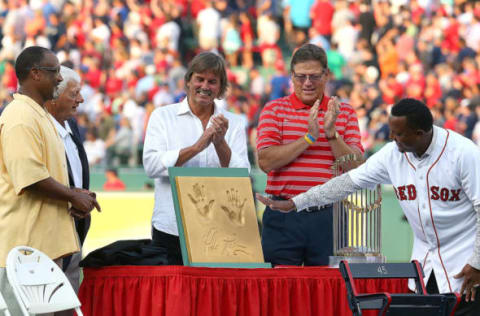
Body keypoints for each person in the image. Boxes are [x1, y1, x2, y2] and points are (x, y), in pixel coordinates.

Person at [257, 98, 480, 315]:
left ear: (420, 133)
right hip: (426, 266)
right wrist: (296, 203)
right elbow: (347, 182)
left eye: (399, 133)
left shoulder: (463, 153)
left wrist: (477, 263)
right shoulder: (393, 154)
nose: (391, 137)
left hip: (468, 267)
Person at [0, 46, 100, 314]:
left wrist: (76, 193)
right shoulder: (20, 117)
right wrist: (71, 195)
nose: (59, 77)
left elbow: (49, 174)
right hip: (25, 251)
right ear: (35, 74)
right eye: (54, 71)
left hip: (44, 249)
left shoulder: (40, 114)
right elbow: (30, 178)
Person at [256, 43, 363, 266]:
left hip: (329, 216)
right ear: (291, 76)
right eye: (301, 76)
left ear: (327, 75)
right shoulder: (273, 110)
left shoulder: (345, 113)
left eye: (314, 76)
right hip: (283, 215)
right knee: (281, 288)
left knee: (327, 290)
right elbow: (266, 162)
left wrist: (332, 135)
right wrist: (308, 138)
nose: (307, 83)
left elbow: (357, 168)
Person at [143, 52, 250, 265]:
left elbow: (242, 176)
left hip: (218, 229)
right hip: (171, 228)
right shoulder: (162, 116)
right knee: (171, 295)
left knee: (211, 296)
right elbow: (151, 166)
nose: (205, 86)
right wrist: (196, 147)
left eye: (212, 81)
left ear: (220, 88)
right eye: (199, 79)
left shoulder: (234, 123)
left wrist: (220, 144)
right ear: (188, 81)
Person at [44, 66, 92, 301]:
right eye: (74, 94)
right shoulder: (37, 127)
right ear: (54, 96)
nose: (80, 99)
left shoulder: (70, 124)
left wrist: (83, 196)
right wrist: (71, 196)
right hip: (47, 236)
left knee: (67, 302)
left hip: (74, 232)